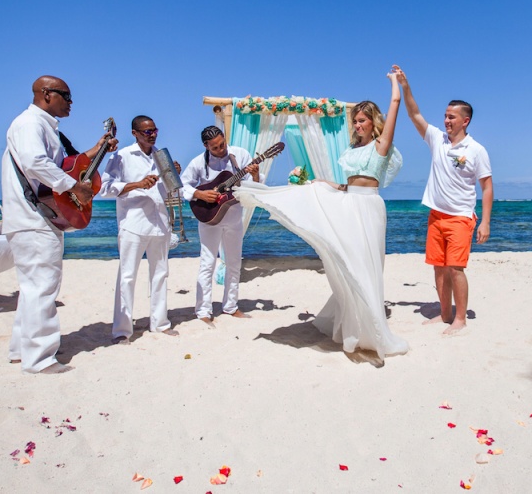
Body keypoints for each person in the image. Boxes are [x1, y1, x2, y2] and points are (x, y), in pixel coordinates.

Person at [234, 72, 409, 359]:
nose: (357, 125)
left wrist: (395, 82)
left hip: (370, 208)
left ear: (373, 122)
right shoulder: (352, 149)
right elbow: (348, 185)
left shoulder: (380, 146)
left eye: (362, 120)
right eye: (355, 121)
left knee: (368, 265)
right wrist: (323, 183)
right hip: (349, 203)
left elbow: (395, 105)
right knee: (348, 261)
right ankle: (351, 322)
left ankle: (371, 326)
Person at [2, 75, 116, 374]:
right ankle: (40, 359)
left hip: (33, 218)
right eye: (66, 96)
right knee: (43, 287)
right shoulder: (30, 123)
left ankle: (21, 350)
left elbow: (66, 165)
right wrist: (74, 188)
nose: (71, 102)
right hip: (34, 218)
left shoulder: (45, 128)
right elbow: (35, 163)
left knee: (32, 288)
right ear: (46, 94)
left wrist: (98, 149)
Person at [393, 64, 493, 336]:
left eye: (451, 117)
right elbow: (414, 114)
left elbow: (486, 187)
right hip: (436, 216)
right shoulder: (437, 140)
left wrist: (485, 222)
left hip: (461, 217)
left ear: (465, 121)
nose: (446, 121)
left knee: (456, 269)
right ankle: (445, 313)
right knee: (439, 268)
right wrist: (405, 86)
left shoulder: (477, 150)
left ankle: (460, 319)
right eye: (445, 116)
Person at [99, 115, 179, 343]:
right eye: (147, 132)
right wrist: (137, 184)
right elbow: (105, 188)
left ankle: (160, 323)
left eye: (155, 130)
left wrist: (173, 173)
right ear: (135, 133)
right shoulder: (122, 156)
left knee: (160, 274)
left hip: (160, 222)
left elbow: (171, 190)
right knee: (127, 276)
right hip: (133, 224)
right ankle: (122, 330)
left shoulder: (161, 155)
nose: (152, 135)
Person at [180, 126, 260, 325]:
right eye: (215, 148)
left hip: (234, 217)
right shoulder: (198, 162)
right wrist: (199, 194)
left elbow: (254, 187)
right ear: (206, 146)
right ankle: (203, 310)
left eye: (222, 144)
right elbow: (182, 186)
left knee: (234, 262)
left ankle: (231, 306)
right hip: (209, 219)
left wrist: (255, 174)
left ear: (225, 138)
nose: (220, 150)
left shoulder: (240, 155)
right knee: (207, 263)